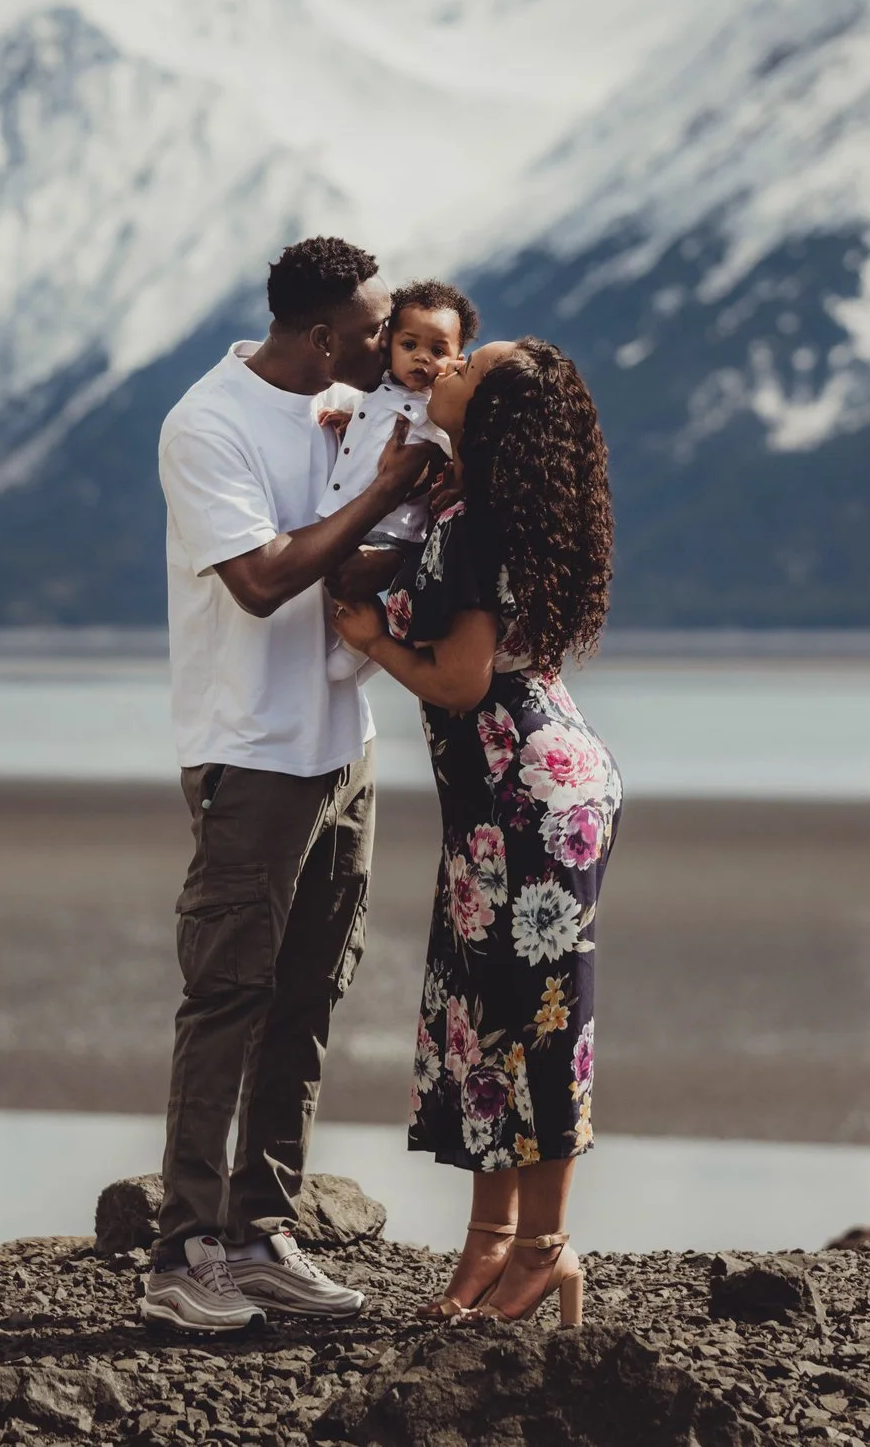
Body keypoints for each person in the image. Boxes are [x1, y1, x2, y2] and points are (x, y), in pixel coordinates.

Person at [142, 235, 439, 1334]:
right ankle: (180, 1252)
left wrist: (414, 503)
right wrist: (388, 492)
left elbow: (349, 561)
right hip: (251, 752)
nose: (385, 348)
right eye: (371, 333)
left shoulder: (348, 415)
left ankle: (263, 1232)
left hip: (341, 747)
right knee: (228, 994)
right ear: (320, 334)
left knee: (310, 992)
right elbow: (264, 579)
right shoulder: (205, 423)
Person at [328, 336, 618, 1328]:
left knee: (535, 1022)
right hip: (521, 788)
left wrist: (371, 641)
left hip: (523, 796)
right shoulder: (477, 504)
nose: (442, 366)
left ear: (489, 415)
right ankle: (492, 1247)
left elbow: (459, 680)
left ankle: (542, 1250)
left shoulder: (479, 524)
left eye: (466, 370)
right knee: (486, 1020)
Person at [319, 280, 477, 683]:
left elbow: (453, 446)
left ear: (458, 360)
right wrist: (348, 418)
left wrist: (457, 475)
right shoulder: (376, 391)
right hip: (353, 508)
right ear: (389, 343)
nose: (422, 358)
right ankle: (377, 641)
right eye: (410, 346)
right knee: (331, 571)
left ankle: (361, 649)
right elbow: (370, 416)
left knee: (350, 578)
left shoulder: (435, 409)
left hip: (394, 527)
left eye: (438, 351)